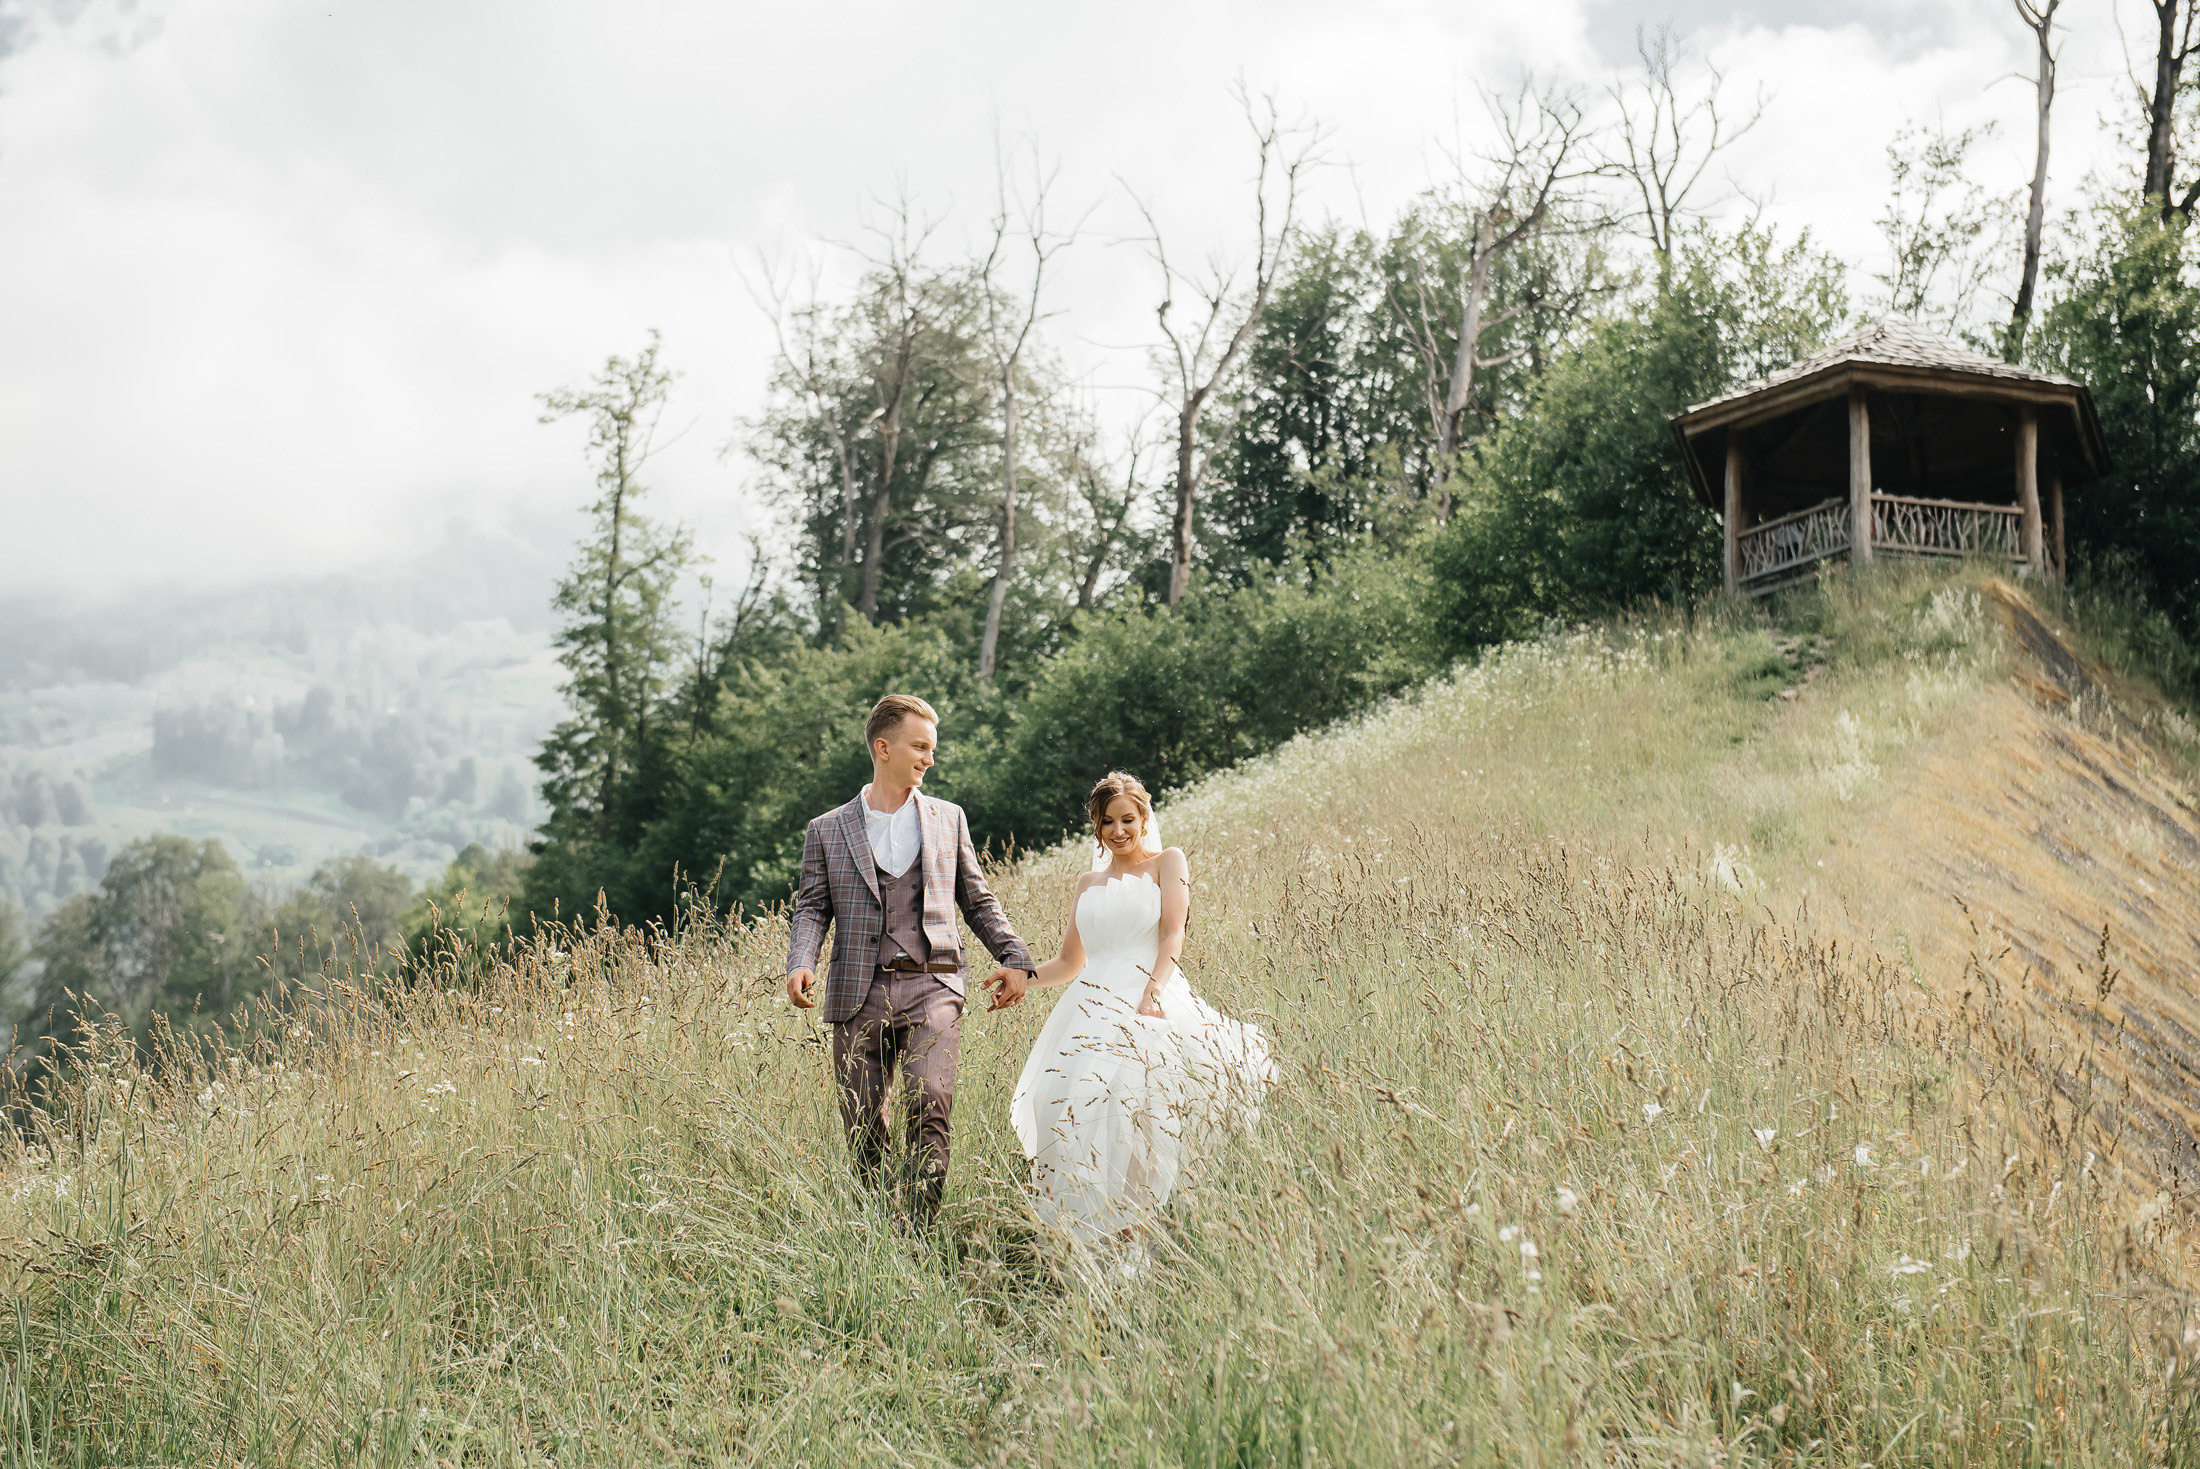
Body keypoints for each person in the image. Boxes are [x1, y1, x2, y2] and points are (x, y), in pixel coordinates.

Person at [785, 694, 1036, 1228]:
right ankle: (884, 1233)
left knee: (930, 1104)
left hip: (934, 986)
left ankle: (919, 1234)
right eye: (919, 746)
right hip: (858, 993)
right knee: (862, 1125)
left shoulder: (950, 819)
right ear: (883, 748)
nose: (928, 758)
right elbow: (811, 907)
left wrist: (1016, 958)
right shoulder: (826, 830)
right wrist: (800, 960)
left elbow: (978, 899)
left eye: (931, 748)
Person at [992, 771, 1274, 1243]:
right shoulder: (1087, 882)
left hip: (1148, 999)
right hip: (1088, 1006)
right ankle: (1088, 1233)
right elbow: (1069, 962)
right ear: (1097, 827)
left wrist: (1155, 991)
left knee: (1136, 1114)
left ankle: (1139, 1234)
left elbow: (1172, 933)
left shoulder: (1169, 862)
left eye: (1127, 819)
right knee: (1061, 1108)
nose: (1118, 830)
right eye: (1107, 822)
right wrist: (1023, 977)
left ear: (1144, 819)